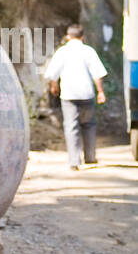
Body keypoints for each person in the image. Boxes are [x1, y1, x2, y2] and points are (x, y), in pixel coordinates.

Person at [43, 24, 106, 170]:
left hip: (68, 95)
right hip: (86, 94)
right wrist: (100, 92)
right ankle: (90, 157)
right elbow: (97, 74)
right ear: (82, 37)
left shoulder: (62, 52)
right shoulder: (88, 51)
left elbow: (53, 74)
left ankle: (74, 161)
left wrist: (55, 86)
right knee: (88, 125)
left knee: (71, 127)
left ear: (67, 37)